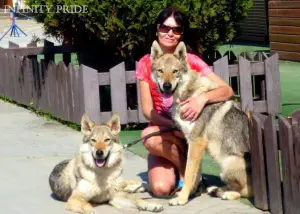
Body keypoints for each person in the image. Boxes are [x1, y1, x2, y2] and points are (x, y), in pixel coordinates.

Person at [134, 7, 234, 197]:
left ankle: (189, 179)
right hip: (165, 134)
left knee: (164, 185)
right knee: (160, 187)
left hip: (192, 130)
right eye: (165, 28)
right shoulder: (146, 63)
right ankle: (189, 174)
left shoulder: (191, 61)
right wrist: (175, 126)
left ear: (181, 34)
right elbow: (148, 111)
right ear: (157, 30)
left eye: (176, 29)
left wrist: (202, 99)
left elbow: (227, 91)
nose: (170, 33)